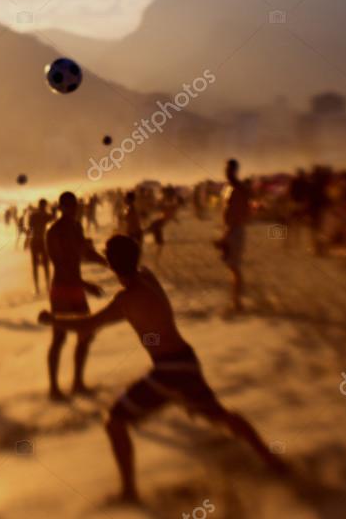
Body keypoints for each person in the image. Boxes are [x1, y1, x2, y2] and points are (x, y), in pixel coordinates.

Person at [39, 236, 286, 502]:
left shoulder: (127, 299)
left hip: (171, 370)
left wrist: (53, 319)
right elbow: (127, 262)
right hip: (185, 361)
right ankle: (271, 460)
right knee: (218, 415)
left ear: (111, 265)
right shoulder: (147, 276)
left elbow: (87, 325)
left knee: (115, 422)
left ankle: (129, 492)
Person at [44, 192, 107, 400]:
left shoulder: (76, 227)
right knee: (59, 337)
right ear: (61, 207)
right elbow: (60, 265)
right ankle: (54, 388)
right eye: (69, 206)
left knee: (86, 333)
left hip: (76, 288)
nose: (73, 209)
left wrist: (107, 261)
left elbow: (85, 253)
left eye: (75, 206)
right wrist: (85, 284)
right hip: (62, 289)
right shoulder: (53, 232)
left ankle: (77, 382)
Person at [217, 159, 251, 312]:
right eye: (225, 170)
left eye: (229, 170)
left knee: (234, 267)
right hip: (229, 230)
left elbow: (240, 214)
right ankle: (236, 300)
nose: (226, 172)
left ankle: (237, 303)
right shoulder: (229, 188)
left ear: (235, 170)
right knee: (231, 266)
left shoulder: (239, 189)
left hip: (235, 230)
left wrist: (227, 234)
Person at [28, 199, 53, 296]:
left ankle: (37, 287)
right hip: (42, 242)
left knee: (35, 265)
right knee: (45, 264)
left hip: (34, 241)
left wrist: (26, 241)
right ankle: (48, 286)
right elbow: (53, 217)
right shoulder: (45, 215)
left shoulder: (34, 215)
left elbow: (29, 228)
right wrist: (51, 208)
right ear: (44, 206)